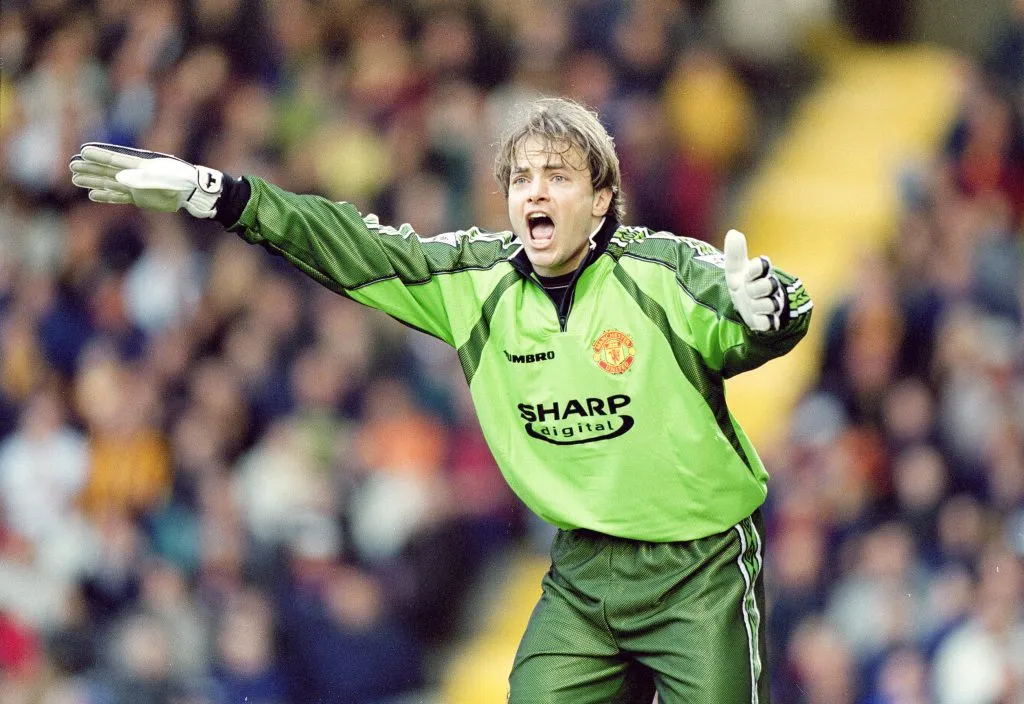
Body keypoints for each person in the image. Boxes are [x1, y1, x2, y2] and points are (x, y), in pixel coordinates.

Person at [69, 98, 812, 703]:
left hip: (699, 569)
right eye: (521, 179)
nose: (536, 192)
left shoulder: (663, 270)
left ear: (602, 199)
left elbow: (744, 315)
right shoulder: (473, 282)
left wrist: (772, 310)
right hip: (585, 573)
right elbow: (353, 245)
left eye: (558, 176)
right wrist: (223, 195)